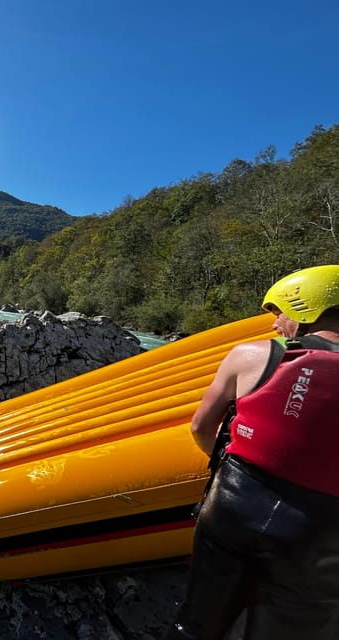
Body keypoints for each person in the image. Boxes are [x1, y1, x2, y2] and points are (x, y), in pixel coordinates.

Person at [165, 264, 339, 640]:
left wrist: (235, 466)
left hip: (234, 509)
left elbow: (200, 426)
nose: (276, 325)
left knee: (198, 624)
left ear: (307, 308)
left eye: (280, 313)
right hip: (319, 534)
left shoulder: (251, 355)